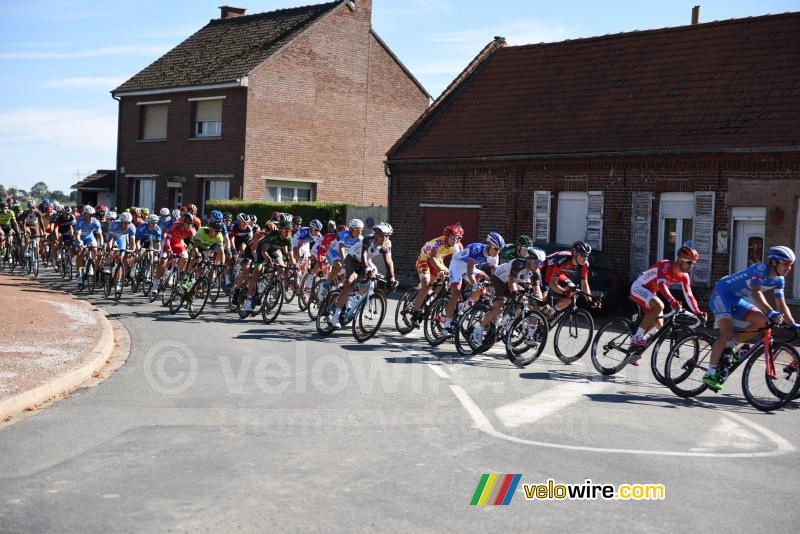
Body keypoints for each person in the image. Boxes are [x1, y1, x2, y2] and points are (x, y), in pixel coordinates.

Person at [703, 246, 798, 392]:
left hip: (736, 299)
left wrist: (792, 324)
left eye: (791, 264)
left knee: (762, 321)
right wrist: (771, 312)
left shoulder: (779, 280)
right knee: (727, 334)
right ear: (774, 262)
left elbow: (782, 304)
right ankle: (710, 373)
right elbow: (756, 293)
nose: (789, 268)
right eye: (786, 264)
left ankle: (731, 347)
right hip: (721, 295)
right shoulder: (760, 269)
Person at [628, 246, 706, 352]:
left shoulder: (684, 276)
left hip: (651, 293)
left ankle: (633, 351)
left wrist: (698, 311)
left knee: (659, 327)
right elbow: (662, 285)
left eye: (693, 263)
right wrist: (672, 301)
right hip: (639, 287)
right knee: (659, 306)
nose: (691, 266)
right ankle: (636, 338)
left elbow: (689, 295)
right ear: (680, 260)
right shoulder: (665, 265)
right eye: (689, 262)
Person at [471, 246, 547, 345]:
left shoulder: (536, 271)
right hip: (498, 280)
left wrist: (540, 301)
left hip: (510, 283)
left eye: (540, 263)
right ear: (529, 260)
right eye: (537, 262)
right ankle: (478, 329)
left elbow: (536, 288)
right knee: (499, 307)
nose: (538, 265)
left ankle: (529, 335)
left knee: (529, 301)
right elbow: (512, 283)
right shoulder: (518, 264)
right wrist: (516, 295)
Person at [330, 223, 397, 328]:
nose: (386, 238)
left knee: (370, 280)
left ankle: (353, 300)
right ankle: (335, 316)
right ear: (377, 235)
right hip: (352, 259)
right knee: (349, 283)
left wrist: (392, 278)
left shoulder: (387, 243)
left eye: (388, 235)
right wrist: (366, 269)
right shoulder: (368, 239)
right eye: (384, 235)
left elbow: (389, 262)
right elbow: (364, 255)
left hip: (364, 262)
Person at [442, 232, 504, 330]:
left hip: (470, 267)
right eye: (495, 249)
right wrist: (474, 283)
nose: (497, 253)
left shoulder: (494, 257)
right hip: (457, 265)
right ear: (489, 245)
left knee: (483, 285)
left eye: (499, 250)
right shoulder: (476, 249)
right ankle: (447, 324)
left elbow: (494, 274)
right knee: (456, 294)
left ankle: (465, 306)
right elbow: (469, 272)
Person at [413, 224, 464, 318]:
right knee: (426, 284)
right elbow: (432, 259)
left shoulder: (458, 245)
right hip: (425, 259)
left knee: (443, 280)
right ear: (446, 237)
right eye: (453, 238)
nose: (455, 241)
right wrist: (441, 270)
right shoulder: (437, 242)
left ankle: (429, 300)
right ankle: (415, 312)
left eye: (457, 238)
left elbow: (461, 260)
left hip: (438, 259)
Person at [544, 241, 599, 313]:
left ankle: (551, 312)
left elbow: (584, 283)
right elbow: (552, 282)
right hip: (544, 271)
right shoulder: (563, 259)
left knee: (573, 293)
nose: (585, 259)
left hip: (559, 275)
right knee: (541, 300)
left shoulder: (585, 264)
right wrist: (564, 292)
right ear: (575, 253)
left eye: (587, 256)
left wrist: (589, 300)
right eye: (583, 255)